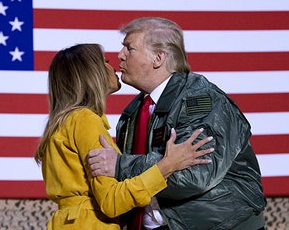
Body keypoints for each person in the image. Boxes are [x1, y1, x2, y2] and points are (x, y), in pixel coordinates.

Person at [87, 17, 267, 230]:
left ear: (158, 58)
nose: (120, 55)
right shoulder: (133, 112)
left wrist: (120, 165)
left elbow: (193, 175)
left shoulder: (201, 101)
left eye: (129, 48)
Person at [34, 44, 214, 229]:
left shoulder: (62, 122)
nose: (113, 67)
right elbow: (111, 202)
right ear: (92, 73)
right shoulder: (84, 120)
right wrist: (167, 166)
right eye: (105, 61)